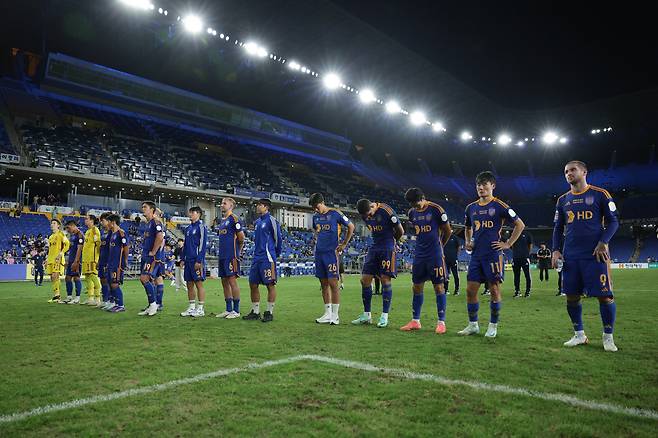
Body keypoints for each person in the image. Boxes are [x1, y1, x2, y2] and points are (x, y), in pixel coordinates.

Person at [552, 160, 619, 352]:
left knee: (604, 296)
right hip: (571, 256)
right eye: (566, 171)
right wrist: (556, 250)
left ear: (584, 172)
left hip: (595, 256)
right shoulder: (562, 200)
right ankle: (579, 335)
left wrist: (603, 242)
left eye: (573, 170)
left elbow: (614, 222)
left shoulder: (600, 194)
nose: (569, 173)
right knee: (572, 297)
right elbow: (558, 228)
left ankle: (608, 337)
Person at [459, 171, 525, 338]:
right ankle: (473, 325)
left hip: (493, 254)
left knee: (494, 289)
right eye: (478, 185)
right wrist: (468, 241)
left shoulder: (500, 206)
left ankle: (493, 325)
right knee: (470, 290)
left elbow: (520, 225)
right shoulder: (471, 208)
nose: (481, 188)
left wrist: (508, 243)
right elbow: (467, 227)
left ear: (492, 186)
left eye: (484, 184)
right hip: (476, 255)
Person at [400, 188, 452, 333]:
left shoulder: (436, 209)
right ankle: (415, 321)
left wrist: (441, 245)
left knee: (439, 287)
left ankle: (441, 322)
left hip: (434, 254)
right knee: (416, 286)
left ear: (423, 198)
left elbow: (448, 230)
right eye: (413, 205)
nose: (415, 207)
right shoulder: (412, 213)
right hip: (419, 255)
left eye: (417, 204)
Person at [351, 198, 404, 328]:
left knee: (385, 279)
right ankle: (367, 315)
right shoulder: (365, 216)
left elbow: (401, 231)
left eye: (369, 213)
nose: (368, 217)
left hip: (387, 247)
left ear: (372, 206)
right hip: (375, 247)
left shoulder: (386, 210)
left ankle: (384, 316)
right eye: (366, 216)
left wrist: (394, 242)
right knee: (364, 280)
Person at [309, 193, 355, 325]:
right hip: (319, 254)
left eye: (316, 206)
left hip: (331, 254)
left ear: (322, 202)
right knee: (323, 284)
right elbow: (316, 230)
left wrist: (344, 243)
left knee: (333, 284)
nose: (315, 210)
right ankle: (327, 314)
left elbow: (351, 226)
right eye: (313, 207)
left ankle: (335, 315)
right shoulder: (316, 217)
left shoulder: (335, 213)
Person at [243, 199, 282, 322]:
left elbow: (278, 239)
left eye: (260, 205)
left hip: (267, 257)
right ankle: (255, 311)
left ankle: (269, 312)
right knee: (253, 284)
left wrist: (275, 254)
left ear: (266, 207)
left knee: (270, 284)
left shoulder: (272, 220)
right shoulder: (257, 222)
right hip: (257, 257)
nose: (257, 207)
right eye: (257, 205)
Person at [215, 197, 245, 319]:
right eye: (221, 203)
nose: (222, 205)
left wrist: (238, 251)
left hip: (231, 255)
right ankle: (228, 309)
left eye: (224, 203)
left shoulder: (234, 219)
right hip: (222, 255)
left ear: (231, 206)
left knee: (232, 280)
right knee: (224, 282)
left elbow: (241, 237)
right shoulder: (222, 220)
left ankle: (236, 310)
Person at [180, 206, 208, 317]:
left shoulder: (201, 227)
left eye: (192, 212)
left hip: (196, 260)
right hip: (188, 261)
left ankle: (200, 308)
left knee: (199, 284)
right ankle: (191, 307)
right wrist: (182, 258)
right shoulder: (188, 228)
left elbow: (203, 245)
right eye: (189, 212)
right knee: (189, 284)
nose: (190, 214)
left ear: (198, 214)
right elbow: (185, 245)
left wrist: (199, 260)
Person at [137, 202, 165, 317]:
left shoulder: (156, 222)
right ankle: (152, 304)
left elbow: (160, 236)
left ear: (152, 209)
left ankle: (154, 305)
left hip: (152, 257)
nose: (143, 209)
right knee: (147, 279)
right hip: (146, 256)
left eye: (145, 207)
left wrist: (153, 251)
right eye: (142, 207)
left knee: (145, 278)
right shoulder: (148, 223)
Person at [106, 214, 129, 313]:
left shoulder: (121, 233)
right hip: (111, 263)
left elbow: (126, 247)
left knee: (115, 284)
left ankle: (121, 305)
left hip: (117, 263)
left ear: (113, 222)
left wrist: (126, 259)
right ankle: (116, 304)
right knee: (111, 283)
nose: (108, 224)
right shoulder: (112, 233)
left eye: (109, 222)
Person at [46, 219, 69, 304]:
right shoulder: (51, 237)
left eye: (54, 223)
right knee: (52, 277)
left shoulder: (61, 234)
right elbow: (50, 249)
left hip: (57, 259)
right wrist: (47, 258)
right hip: (50, 259)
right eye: (51, 223)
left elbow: (67, 244)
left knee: (55, 275)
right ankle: (56, 294)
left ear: (58, 225)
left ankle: (57, 296)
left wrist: (61, 253)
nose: (52, 224)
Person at [81, 215, 102, 306]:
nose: (85, 220)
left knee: (93, 276)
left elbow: (98, 244)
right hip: (86, 258)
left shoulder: (95, 230)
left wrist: (98, 258)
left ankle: (97, 298)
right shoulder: (87, 231)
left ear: (92, 221)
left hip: (92, 258)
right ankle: (90, 298)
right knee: (87, 277)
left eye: (87, 219)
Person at [62, 220, 84, 304]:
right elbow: (72, 249)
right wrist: (68, 260)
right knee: (67, 277)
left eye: (68, 227)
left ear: (73, 225)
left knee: (76, 278)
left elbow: (79, 249)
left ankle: (77, 298)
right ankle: (69, 296)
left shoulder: (80, 235)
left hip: (77, 260)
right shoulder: (72, 236)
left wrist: (76, 261)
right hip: (71, 260)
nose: (67, 229)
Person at [98, 212, 115, 310]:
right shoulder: (103, 232)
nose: (102, 223)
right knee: (103, 280)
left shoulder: (112, 232)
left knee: (109, 281)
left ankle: (111, 301)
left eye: (103, 220)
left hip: (109, 260)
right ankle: (105, 300)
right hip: (102, 260)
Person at [512, 230, 533, 298]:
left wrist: (526, 254)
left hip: (524, 258)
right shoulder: (513, 234)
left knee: (527, 275)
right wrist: (516, 252)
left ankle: (528, 292)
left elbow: (530, 245)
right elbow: (510, 244)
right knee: (516, 276)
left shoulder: (527, 234)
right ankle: (517, 291)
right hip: (516, 258)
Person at [443, 231, 461, 295]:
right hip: (445, 260)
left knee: (455, 275)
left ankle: (457, 290)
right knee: (446, 276)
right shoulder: (443, 238)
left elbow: (459, 247)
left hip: (453, 259)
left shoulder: (455, 238)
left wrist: (456, 256)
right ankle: (446, 289)